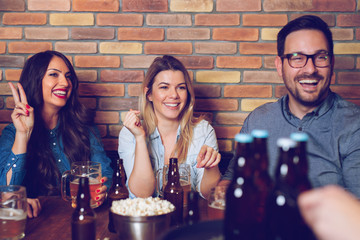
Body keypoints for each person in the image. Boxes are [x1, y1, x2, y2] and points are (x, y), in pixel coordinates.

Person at [220, 15, 360, 198]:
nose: (310, 69)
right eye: (297, 58)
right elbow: (231, 180)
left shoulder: (354, 125)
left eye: (321, 57)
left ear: (332, 63)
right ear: (280, 66)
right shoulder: (258, 120)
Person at [0, 50, 113, 217]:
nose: (65, 83)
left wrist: (103, 189)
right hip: (36, 223)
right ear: (35, 80)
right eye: (54, 74)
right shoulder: (12, 133)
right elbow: (5, 192)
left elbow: (105, 173)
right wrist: (22, 134)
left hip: (81, 217)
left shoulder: (85, 127)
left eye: (68, 77)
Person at [118, 55, 221, 199]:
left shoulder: (203, 131)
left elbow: (208, 194)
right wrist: (140, 138)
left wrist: (211, 166)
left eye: (181, 88)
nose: (174, 95)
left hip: (185, 217)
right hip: (145, 218)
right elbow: (143, 194)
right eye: (164, 87)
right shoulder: (129, 132)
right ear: (149, 94)